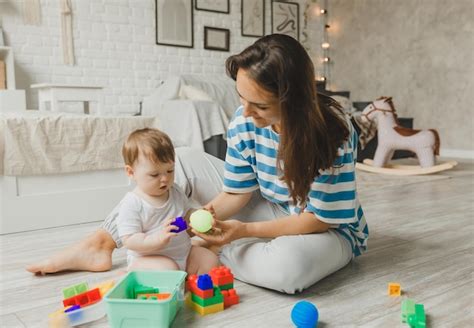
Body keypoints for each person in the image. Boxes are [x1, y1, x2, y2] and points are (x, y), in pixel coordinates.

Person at [27, 34, 368, 294]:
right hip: (272, 207)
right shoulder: (245, 121)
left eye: (259, 106)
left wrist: (239, 231)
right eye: (241, 98)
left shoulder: (332, 132)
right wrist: (204, 217)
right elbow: (237, 192)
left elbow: (320, 219)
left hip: (326, 229)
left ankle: (198, 254)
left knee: (288, 270)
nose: (245, 113)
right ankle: (102, 242)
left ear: (292, 101)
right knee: (184, 159)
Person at [113, 128, 218, 274]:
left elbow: (186, 214)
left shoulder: (175, 191)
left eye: (170, 171)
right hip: (150, 260)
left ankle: (190, 284)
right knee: (168, 269)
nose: (165, 178)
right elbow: (129, 239)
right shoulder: (133, 203)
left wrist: (198, 215)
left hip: (183, 254)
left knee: (209, 259)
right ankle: (134, 272)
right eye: (154, 174)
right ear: (131, 172)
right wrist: (158, 238)